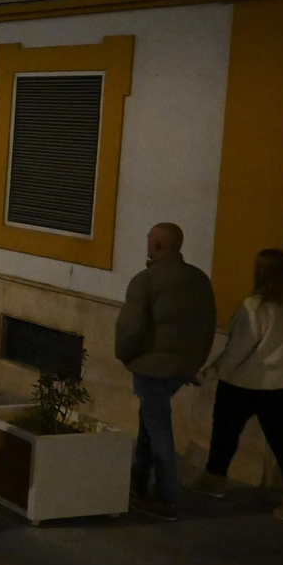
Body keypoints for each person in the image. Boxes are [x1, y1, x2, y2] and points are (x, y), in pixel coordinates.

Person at [189, 248, 283, 524]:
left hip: (246, 385)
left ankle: (214, 480)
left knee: (225, 432)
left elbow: (236, 351)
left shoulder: (254, 308)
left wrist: (206, 374)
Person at [115, 222, 217, 520]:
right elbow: (209, 323)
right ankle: (138, 485)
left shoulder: (146, 281)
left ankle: (166, 498)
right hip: (181, 368)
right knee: (149, 423)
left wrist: (123, 355)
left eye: (149, 240)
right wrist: (194, 362)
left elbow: (129, 328)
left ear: (158, 245)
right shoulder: (199, 279)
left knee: (158, 429)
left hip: (152, 368)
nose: (147, 244)